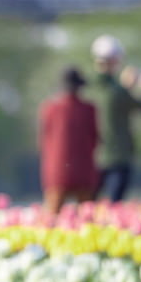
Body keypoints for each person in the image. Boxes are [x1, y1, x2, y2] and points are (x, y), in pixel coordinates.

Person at [91, 35, 141, 203]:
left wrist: (125, 87)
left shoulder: (91, 89)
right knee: (114, 205)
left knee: (90, 207)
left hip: (92, 156)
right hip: (117, 156)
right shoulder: (117, 92)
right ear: (114, 61)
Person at [38, 66, 99, 216]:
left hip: (56, 172)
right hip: (83, 171)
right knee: (86, 218)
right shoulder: (89, 109)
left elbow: (43, 141)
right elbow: (94, 139)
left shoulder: (50, 109)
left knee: (51, 218)